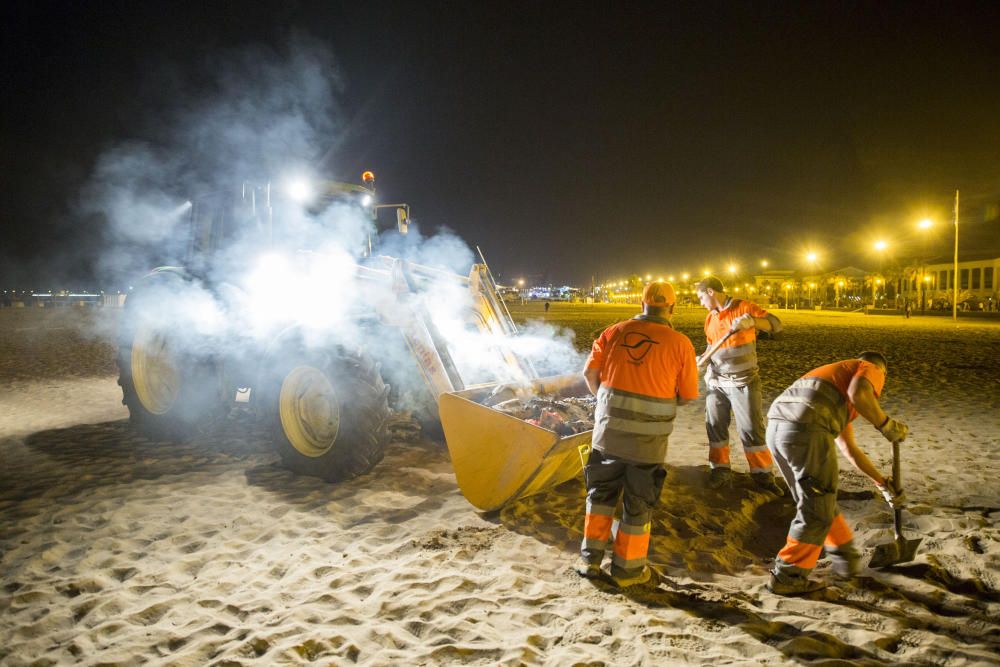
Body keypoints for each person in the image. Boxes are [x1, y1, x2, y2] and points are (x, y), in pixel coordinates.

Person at [578, 281, 699, 587]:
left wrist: (604, 401)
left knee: (600, 496)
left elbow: (589, 374)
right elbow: (686, 396)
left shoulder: (613, 332)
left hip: (608, 436)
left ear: (642, 303)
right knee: (637, 504)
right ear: (672, 307)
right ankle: (628, 571)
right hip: (647, 445)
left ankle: (590, 562)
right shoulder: (680, 343)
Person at [765, 352, 908, 595]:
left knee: (818, 499)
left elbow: (850, 451)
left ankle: (845, 558)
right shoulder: (869, 367)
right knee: (816, 508)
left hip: (778, 429)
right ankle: (788, 576)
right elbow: (860, 394)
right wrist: (886, 424)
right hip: (805, 429)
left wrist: (882, 484)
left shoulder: (831, 393)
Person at [694, 276, 784, 494]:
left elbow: (776, 325)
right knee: (715, 426)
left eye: (700, 297)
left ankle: (762, 475)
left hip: (744, 381)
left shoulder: (743, 307)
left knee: (751, 429)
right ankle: (720, 470)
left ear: (711, 292)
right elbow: (711, 347)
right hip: (716, 382)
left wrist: (752, 322)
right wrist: (702, 360)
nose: (700, 302)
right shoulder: (710, 319)